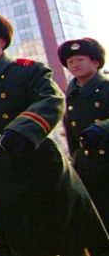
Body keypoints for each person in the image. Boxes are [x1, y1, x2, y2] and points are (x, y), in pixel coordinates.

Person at [0, 11, 109, 255]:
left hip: (36, 165)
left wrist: (22, 129)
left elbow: (51, 98)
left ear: (1, 41)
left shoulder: (28, 71)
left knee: (58, 236)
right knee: (6, 238)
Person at [58, 38, 109, 243]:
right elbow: (72, 138)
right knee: (96, 227)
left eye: (80, 59)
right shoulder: (69, 96)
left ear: (96, 62)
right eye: (70, 62)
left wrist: (102, 128)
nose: (75, 65)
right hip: (87, 169)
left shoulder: (106, 88)